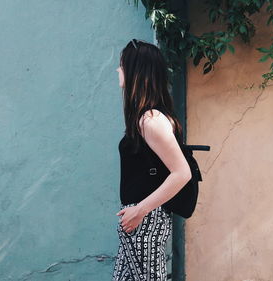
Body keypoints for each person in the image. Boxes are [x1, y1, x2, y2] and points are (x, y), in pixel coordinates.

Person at [112, 39, 192, 281]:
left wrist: (140, 210)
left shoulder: (151, 120)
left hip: (146, 220)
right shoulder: (145, 118)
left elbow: (181, 173)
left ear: (137, 72)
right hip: (138, 220)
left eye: (122, 66)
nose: (118, 71)